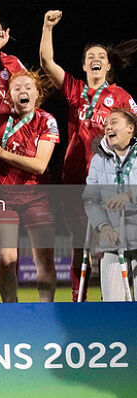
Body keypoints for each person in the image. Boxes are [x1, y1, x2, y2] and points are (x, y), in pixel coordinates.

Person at [40, 9, 137, 301]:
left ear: (108, 66)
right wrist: (47, 27)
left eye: (101, 57)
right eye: (90, 57)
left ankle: (120, 303)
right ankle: (77, 302)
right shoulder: (75, 90)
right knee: (79, 245)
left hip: (108, 181)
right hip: (73, 178)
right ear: (83, 65)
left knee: (112, 242)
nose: (95, 60)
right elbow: (46, 62)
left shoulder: (121, 97)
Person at [0, 32, 59, 302]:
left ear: (37, 94)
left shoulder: (47, 121)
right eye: (16, 88)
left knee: (44, 260)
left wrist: (0, 153)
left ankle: (46, 312)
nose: (22, 91)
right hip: (2, 198)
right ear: (8, 94)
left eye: (28, 87)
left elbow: (40, 166)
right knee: (6, 259)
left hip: (37, 196)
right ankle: (11, 313)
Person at [83, 109, 137, 301]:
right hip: (114, 240)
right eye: (106, 124)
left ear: (130, 128)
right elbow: (90, 198)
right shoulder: (99, 160)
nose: (107, 127)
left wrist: (130, 195)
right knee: (112, 306)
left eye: (114, 122)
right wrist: (102, 225)